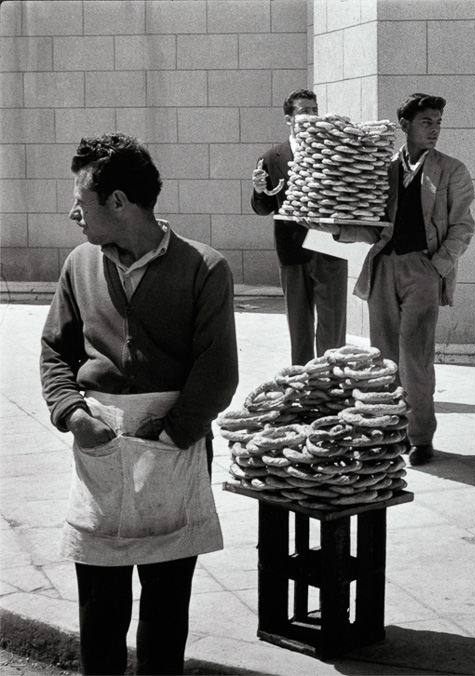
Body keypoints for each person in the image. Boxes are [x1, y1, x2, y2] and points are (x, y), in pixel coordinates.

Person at [40, 133, 238, 674]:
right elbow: (55, 350)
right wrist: (73, 414)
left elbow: (217, 372)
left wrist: (174, 434)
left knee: (166, 606)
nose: (73, 212)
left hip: (176, 444)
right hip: (99, 446)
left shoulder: (204, 267)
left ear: (120, 203)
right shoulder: (78, 265)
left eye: (82, 201)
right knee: (100, 604)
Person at [333, 93, 475, 466]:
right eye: (427, 122)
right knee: (384, 358)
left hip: (422, 270)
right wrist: (336, 229)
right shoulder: (385, 169)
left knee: (416, 358)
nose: (435, 130)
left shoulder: (452, 170)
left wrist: (437, 266)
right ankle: (390, 433)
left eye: (438, 122)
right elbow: (371, 226)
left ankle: (420, 437)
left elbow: (463, 226)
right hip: (384, 268)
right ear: (405, 126)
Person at [252, 88, 349, 365]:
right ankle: (305, 385)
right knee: (299, 326)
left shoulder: (334, 152)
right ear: (288, 119)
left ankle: (332, 382)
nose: (311, 116)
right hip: (292, 250)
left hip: (330, 247)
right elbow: (263, 208)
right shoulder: (271, 158)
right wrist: (260, 190)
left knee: (332, 325)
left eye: (314, 110)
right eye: (304, 111)